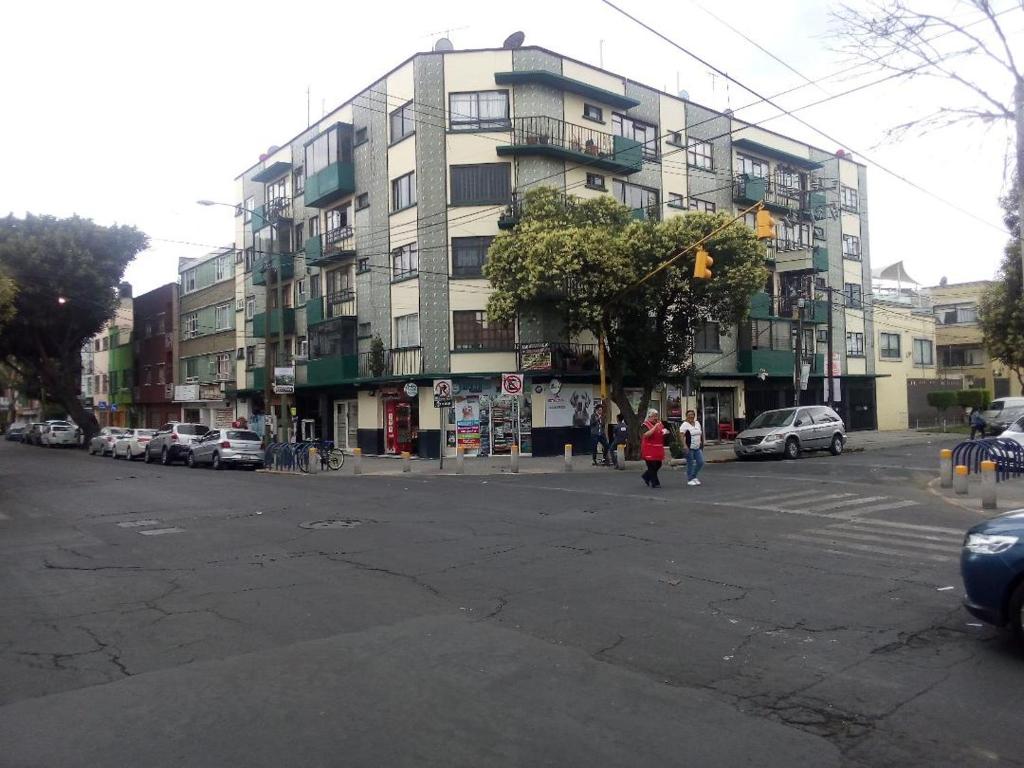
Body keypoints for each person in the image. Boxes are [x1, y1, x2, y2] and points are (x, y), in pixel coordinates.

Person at [640, 408, 668, 488]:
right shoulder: (645, 425)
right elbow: (646, 435)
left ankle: (646, 476)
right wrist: (655, 427)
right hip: (648, 449)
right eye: (654, 416)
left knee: (658, 464)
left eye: (657, 416)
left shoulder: (659, 424)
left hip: (657, 449)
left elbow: (661, 432)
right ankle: (655, 483)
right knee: (651, 466)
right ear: (649, 416)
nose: (656, 418)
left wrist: (665, 432)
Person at [681, 409, 705, 486]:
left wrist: (702, 442)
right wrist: (684, 446)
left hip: (697, 447)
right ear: (686, 416)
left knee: (700, 462)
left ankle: (693, 476)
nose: (691, 416)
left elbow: (700, 433)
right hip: (689, 447)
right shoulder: (684, 425)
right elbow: (681, 436)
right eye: (689, 415)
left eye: (692, 414)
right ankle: (690, 479)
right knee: (690, 463)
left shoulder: (697, 423)